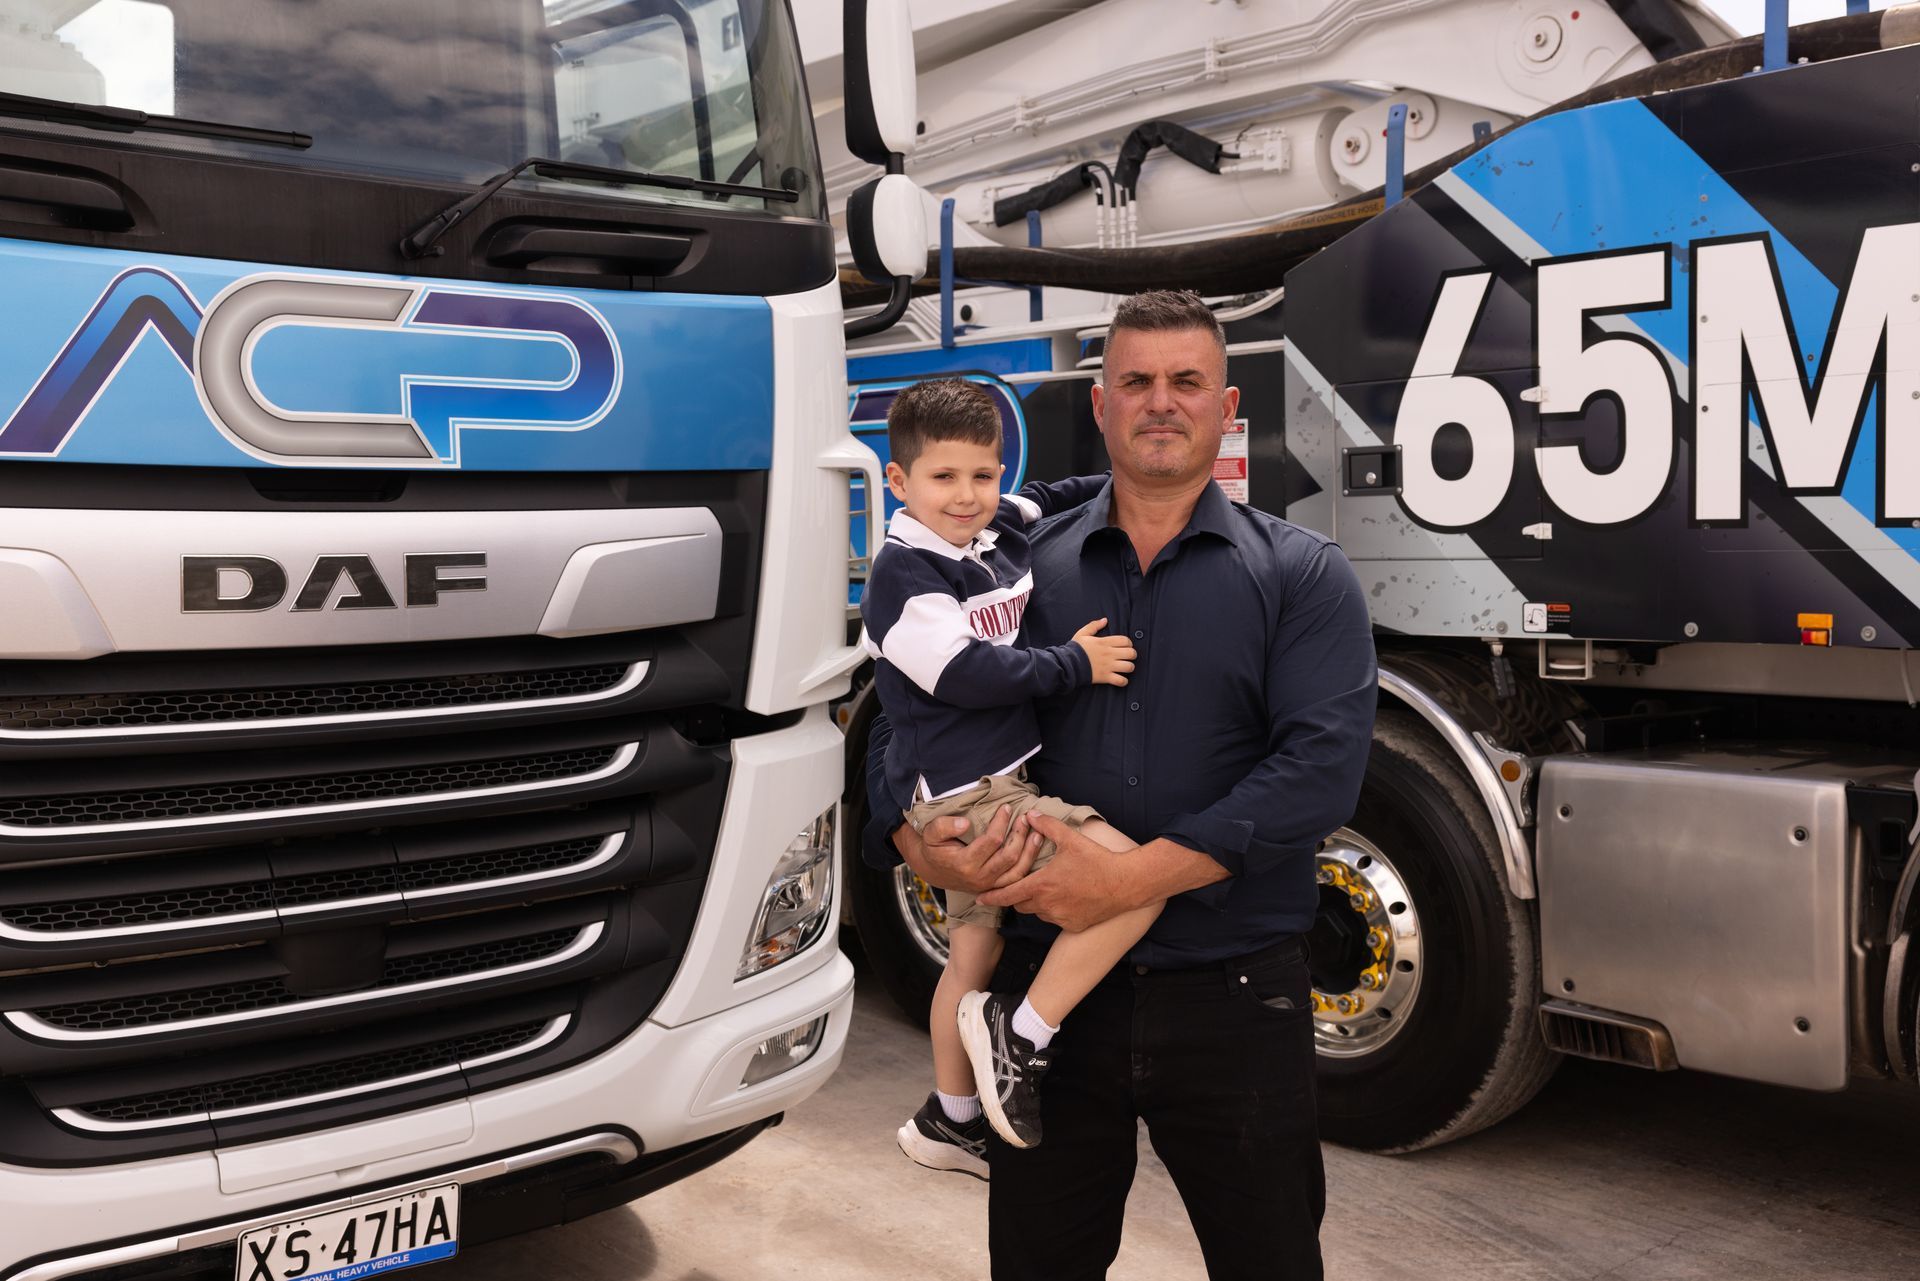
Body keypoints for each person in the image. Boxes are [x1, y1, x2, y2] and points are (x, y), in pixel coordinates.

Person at [865, 292, 1377, 1281]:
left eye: (1186, 382)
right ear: (1099, 405)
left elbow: (1320, 772)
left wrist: (1130, 882)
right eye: (1135, 381)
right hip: (1048, 1008)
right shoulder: (1013, 561)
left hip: (1236, 1002)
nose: (1160, 403)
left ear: (1227, 407)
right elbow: (904, 704)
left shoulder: (1304, 575)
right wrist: (908, 834)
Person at [860, 377, 1171, 1172]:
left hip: (986, 784)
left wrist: (1133, 477)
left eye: (982, 476)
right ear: (898, 481)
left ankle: (950, 1119)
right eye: (943, 478)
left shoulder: (991, 523)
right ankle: (1021, 1031)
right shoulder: (902, 577)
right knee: (1136, 880)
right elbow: (967, 672)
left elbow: (1051, 495)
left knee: (971, 958)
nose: (967, 497)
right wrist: (1077, 662)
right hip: (973, 799)